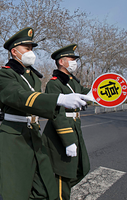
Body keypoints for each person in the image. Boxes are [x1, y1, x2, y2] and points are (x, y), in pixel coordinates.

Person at [0, 27, 93, 200]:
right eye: (27, 48)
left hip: (33, 134)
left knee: (45, 188)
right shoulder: (5, 74)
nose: (31, 52)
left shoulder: (33, 76)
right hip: (14, 137)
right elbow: (18, 96)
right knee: (17, 191)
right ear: (14, 51)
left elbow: (40, 105)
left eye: (32, 48)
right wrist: (59, 99)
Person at [42, 44, 90, 200]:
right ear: (61, 62)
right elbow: (57, 114)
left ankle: (51, 192)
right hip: (61, 133)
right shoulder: (54, 83)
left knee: (82, 168)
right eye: (71, 59)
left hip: (75, 127)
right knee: (63, 174)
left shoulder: (73, 82)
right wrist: (68, 140)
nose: (74, 62)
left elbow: (89, 94)